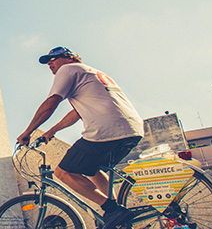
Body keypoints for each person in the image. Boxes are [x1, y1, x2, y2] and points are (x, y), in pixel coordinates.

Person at [17, 46, 145, 229]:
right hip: (132, 130)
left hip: (107, 130)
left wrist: (27, 132)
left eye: (54, 59)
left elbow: (50, 103)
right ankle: (117, 215)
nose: (50, 64)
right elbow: (76, 113)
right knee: (93, 170)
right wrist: (51, 131)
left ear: (69, 58)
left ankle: (112, 210)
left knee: (63, 172)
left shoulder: (68, 70)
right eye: (48, 62)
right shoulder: (90, 73)